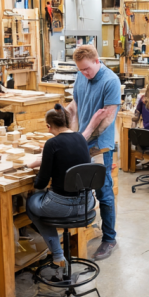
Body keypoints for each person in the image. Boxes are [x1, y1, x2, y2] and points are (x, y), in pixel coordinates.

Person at [64, 45, 120, 261]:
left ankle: (109, 238)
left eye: (86, 69)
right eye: (80, 70)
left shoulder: (110, 81)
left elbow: (107, 119)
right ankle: (81, 233)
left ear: (97, 61)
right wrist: (65, 114)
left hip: (99, 145)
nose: (84, 74)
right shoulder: (81, 76)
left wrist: (82, 138)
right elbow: (76, 103)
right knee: (76, 187)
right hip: (82, 140)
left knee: (103, 191)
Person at [25, 105, 94, 269]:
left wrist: (38, 165)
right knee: (44, 202)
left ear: (48, 126)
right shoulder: (81, 138)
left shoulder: (51, 144)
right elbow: (70, 159)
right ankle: (58, 254)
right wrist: (48, 161)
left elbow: (41, 183)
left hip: (63, 207)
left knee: (31, 203)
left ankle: (57, 254)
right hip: (86, 203)